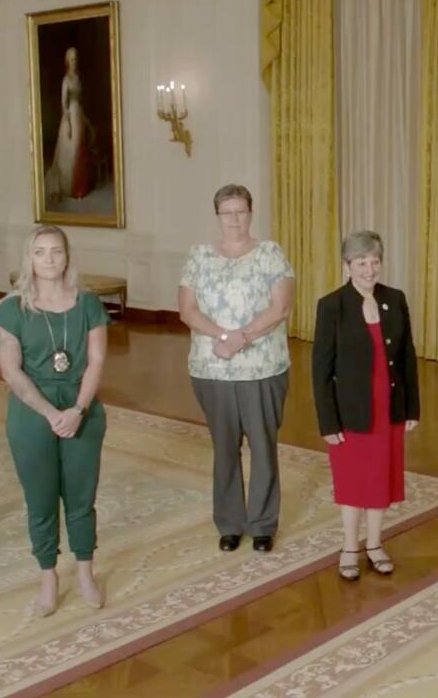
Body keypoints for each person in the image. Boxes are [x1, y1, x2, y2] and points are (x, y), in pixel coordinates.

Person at [0, 226, 109, 617]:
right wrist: (50, 413)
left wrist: (77, 409)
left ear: (67, 257)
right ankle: (48, 578)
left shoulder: (89, 304)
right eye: (40, 252)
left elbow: (96, 362)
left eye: (56, 251)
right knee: (40, 500)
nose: (48, 259)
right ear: (29, 258)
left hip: (82, 405)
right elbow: (11, 372)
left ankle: (86, 573)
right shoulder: (11, 310)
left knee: (81, 497)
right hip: (31, 412)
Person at [178, 184, 294, 553]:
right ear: (217, 216)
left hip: (262, 368)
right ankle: (229, 523)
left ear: (250, 213)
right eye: (227, 212)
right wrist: (224, 336)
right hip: (211, 369)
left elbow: (280, 307)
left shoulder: (271, 254)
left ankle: (262, 524)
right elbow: (187, 311)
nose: (234, 219)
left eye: (240, 211)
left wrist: (241, 338)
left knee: (263, 446)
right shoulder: (198, 256)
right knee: (224, 448)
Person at [312, 231, 421, 581]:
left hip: (389, 408)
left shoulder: (395, 299)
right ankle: (349, 547)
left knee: (380, 479)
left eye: (374, 261)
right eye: (361, 262)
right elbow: (321, 370)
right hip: (351, 412)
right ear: (348, 266)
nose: (369, 269)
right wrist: (328, 423)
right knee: (352, 481)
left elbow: (407, 358)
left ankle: (374, 544)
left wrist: (412, 409)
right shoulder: (331, 305)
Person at [47, 46, 93, 202]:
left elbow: (80, 101)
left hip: (78, 114)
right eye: (72, 59)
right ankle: (68, 187)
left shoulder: (78, 78)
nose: (74, 62)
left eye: (76, 59)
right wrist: (69, 126)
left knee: (80, 149)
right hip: (70, 117)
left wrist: (85, 120)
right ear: (67, 61)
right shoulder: (66, 80)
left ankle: (79, 187)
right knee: (69, 152)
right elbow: (63, 104)